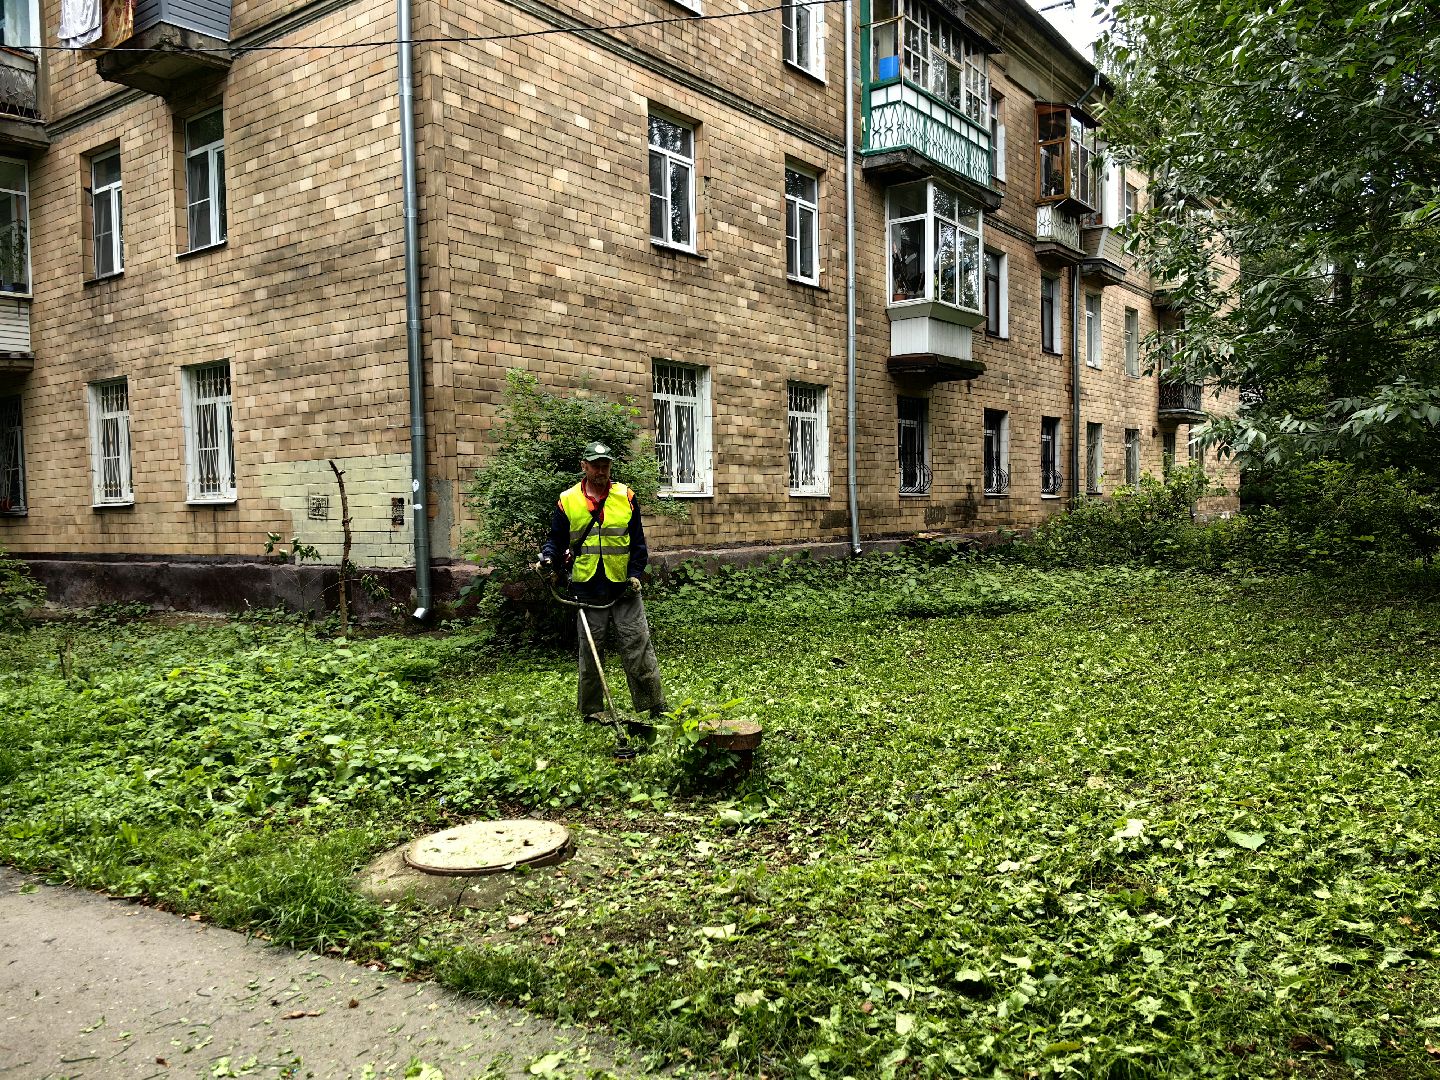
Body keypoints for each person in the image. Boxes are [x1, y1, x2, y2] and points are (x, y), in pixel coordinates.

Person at [537, 441, 667, 726]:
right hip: (586, 589)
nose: (601, 470)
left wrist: (635, 573)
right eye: (595, 465)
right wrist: (548, 558)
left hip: (623, 587)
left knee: (638, 646)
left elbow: (638, 543)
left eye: (605, 465)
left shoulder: (626, 496)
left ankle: (655, 704)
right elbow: (556, 541)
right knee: (591, 652)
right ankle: (592, 709)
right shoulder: (568, 499)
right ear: (584, 466)